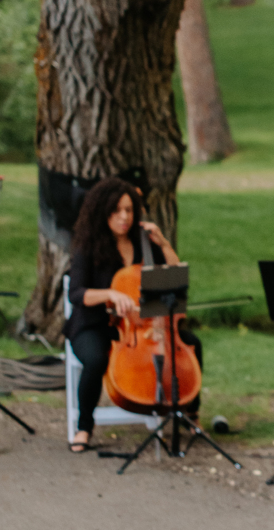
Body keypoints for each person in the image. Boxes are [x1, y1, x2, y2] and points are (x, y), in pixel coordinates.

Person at [65, 178, 202, 453]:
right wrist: (110, 294)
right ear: (102, 212)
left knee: (192, 344)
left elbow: (173, 278)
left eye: (129, 210)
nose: (124, 217)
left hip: (145, 325)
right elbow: (77, 294)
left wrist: (163, 244)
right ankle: (84, 426)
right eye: (116, 211)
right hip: (94, 324)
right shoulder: (87, 247)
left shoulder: (145, 244)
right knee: (95, 359)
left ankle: (189, 414)